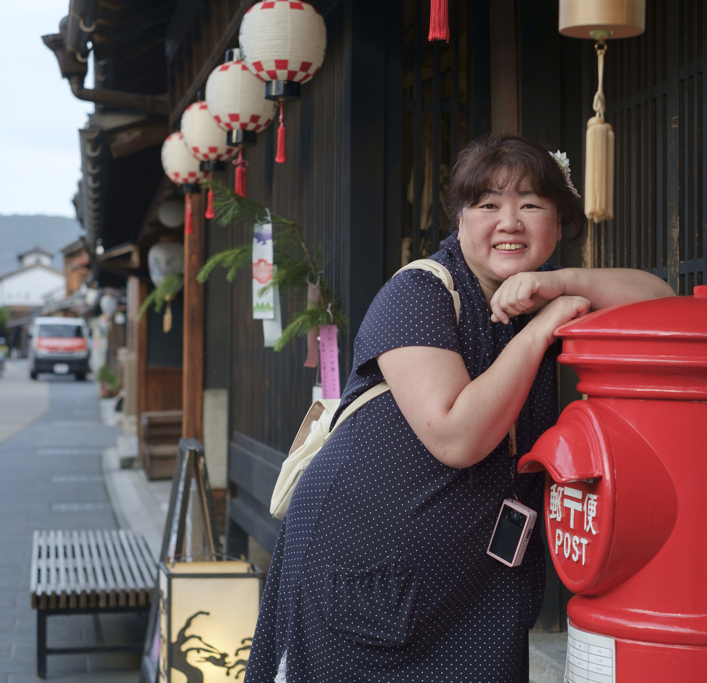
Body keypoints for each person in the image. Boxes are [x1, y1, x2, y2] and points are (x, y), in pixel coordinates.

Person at [243, 135, 675, 683]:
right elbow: (456, 435)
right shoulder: (419, 291)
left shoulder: (537, 294)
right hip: (369, 574)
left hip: (473, 586)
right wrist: (545, 326)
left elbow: (662, 301)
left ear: (559, 224)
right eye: (489, 204)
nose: (510, 221)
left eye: (532, 204)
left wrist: (562, 284)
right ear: (461, 220)